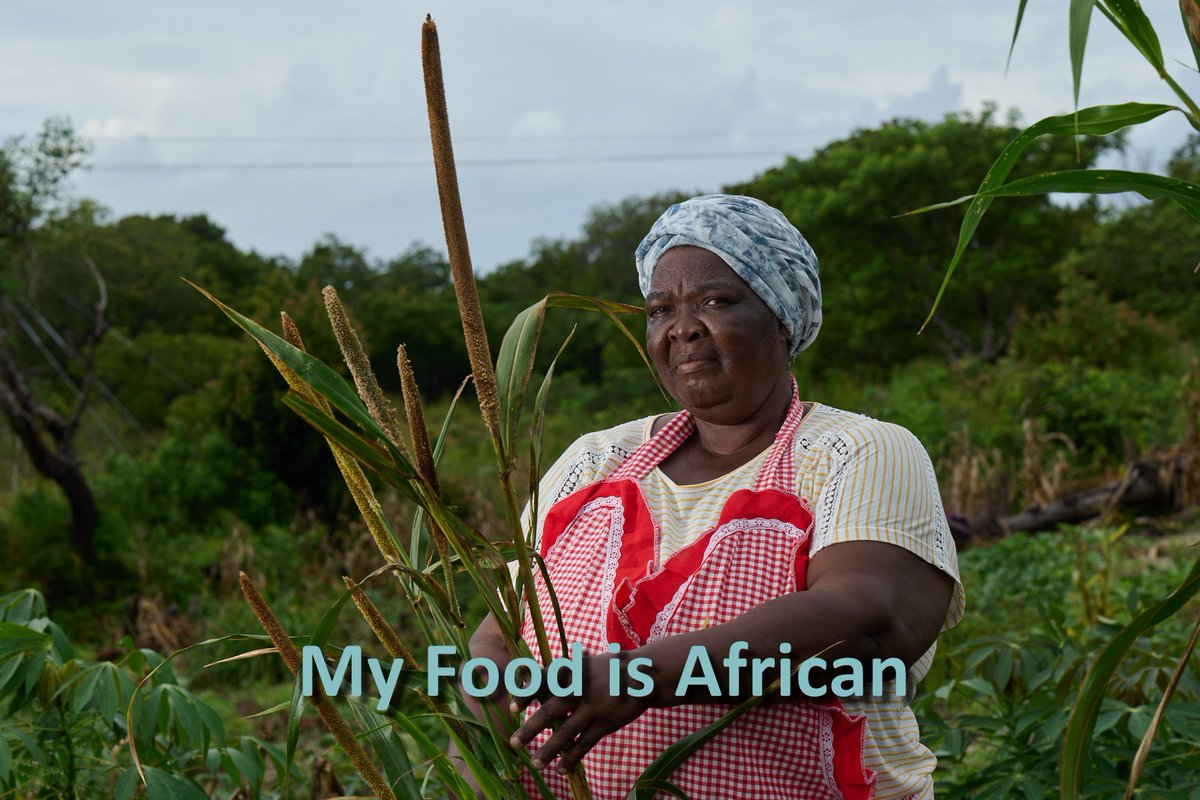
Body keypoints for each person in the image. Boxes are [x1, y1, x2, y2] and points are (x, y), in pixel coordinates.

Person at [465, 194, 964, 799]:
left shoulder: (857, 451)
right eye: (660, 309)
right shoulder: (596, 459)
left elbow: (870, 621)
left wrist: (643, 677)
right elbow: (502, 634)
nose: (682, 328)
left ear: (781, 316)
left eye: (716, 301)